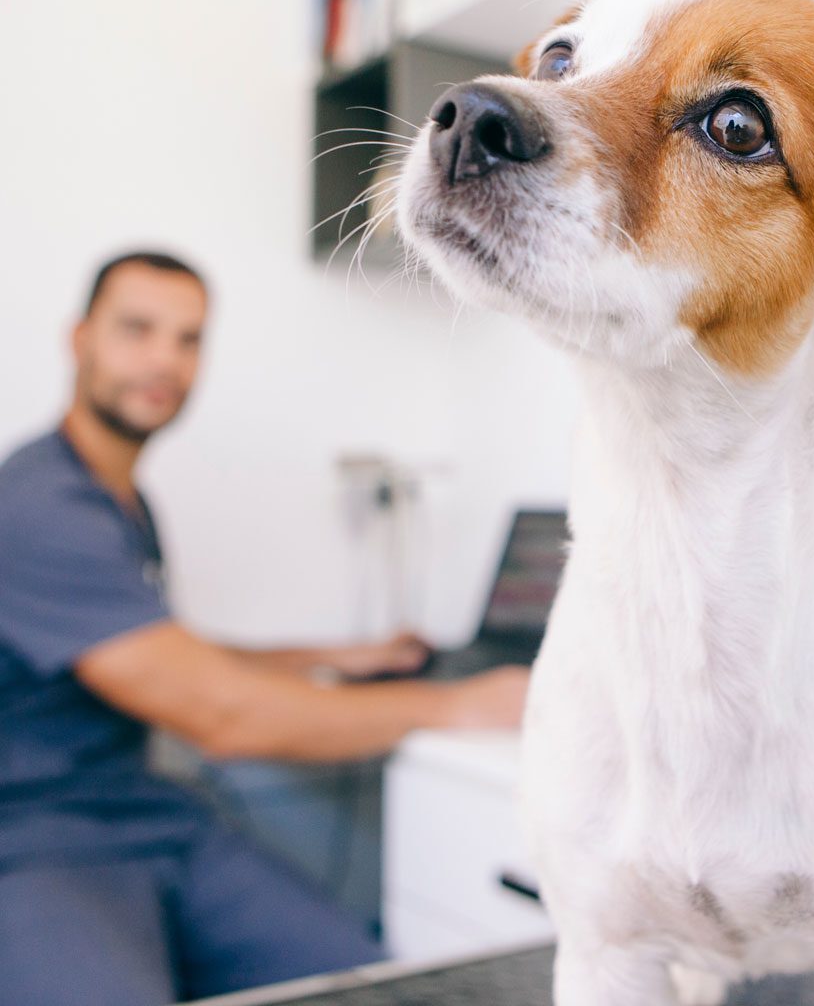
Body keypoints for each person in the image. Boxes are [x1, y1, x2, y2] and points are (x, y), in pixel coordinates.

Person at [0, 250, 530, 1005]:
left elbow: (165, 654)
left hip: (151, 813)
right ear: (79, 338)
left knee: (379, 984)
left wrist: (337, 657)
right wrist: (458, 705)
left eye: (189, 339)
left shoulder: (119, 499)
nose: (165, 359)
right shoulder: (42, 509)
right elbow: (220, 715)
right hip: (37, 844)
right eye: (138, 330)